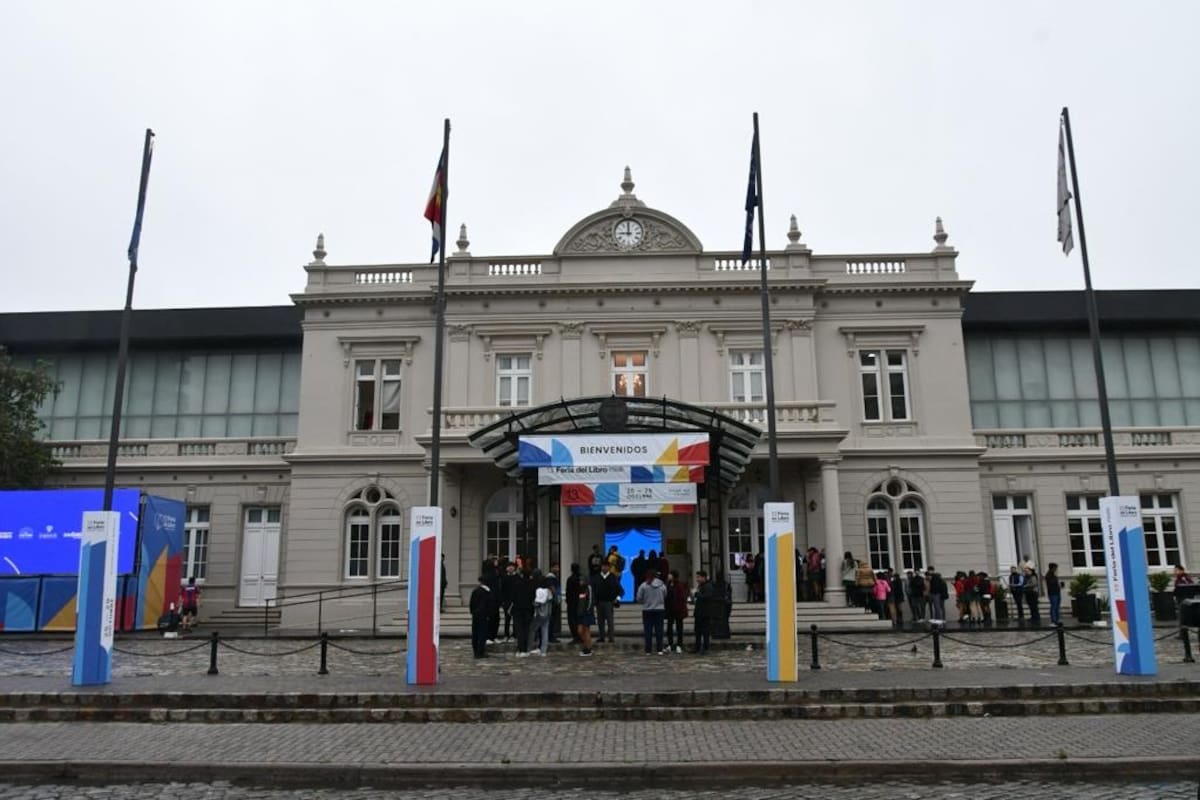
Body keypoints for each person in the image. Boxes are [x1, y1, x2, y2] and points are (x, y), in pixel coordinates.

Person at [637, 568, 668, 654]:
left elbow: (639, 598)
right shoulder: (662, 585)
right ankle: (659, 649)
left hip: (647, 610)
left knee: (648, 631)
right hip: (660, 610)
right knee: (659, 630)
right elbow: (665, 595)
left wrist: (645, 602)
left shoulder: (644, 585)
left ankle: (648, 650)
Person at [593, 561, 622, 643]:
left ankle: (611, 637)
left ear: (609, 567)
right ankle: (601, 636)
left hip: (609, 602)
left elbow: (620, 591)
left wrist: (617, 599)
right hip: (599, 602)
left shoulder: (613, 577)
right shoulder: (597, 577)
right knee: (600, 621)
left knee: (610, 620)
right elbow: (594, 590)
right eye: (603, 566)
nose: (604, 568)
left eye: (606, 566)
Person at [511, 567, 536, 657]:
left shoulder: (517, 584)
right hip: (528, 609)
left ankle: (521, 648)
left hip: (518, 608)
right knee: (526, 629)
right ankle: (525, 648)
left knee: (519, 629)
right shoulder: (532, 584)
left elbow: (513, 596)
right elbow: (533, 597)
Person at [468, 575, 495, 658]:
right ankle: (480, 652)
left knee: (475, 633)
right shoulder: (488, 592)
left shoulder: (475, 591)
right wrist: (490, 615)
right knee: (482, 634)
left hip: (476, 614)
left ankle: (476, 651)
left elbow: (471, 604)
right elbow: (490, 605)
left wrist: (473, 612)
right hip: (484, 615)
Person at [692, 570, 717, 654]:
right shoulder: (701, 586)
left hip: (705, 612)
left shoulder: (708, 586)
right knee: (698, 631)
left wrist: (697, 594)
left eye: (698, 577)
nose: (697, 579)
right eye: (697, 577)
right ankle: (697, 647)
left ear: (704, 577)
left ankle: (705, 648)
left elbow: (707, 597)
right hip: (699, 612)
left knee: (705, 632)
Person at [664, 569, 689, 653]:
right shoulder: (667, 585)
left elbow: (681, 597)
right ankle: (670, 644)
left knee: (679, 628)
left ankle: (679, 645)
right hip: (670, 609)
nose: (668, 576)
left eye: (669, 574)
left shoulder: (679, 585)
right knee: (669, 628)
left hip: (678, 609)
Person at [530, 576, 553, 656]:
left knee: (532, 629)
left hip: (540, 613)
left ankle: (529, 646)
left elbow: (538, 602)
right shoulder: (549, 591)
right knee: (545, 631)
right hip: (547, 613)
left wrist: (533, 604)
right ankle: (543, 650)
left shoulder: (539, 591)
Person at [574, 572, 595, 656]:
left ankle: (588, 648)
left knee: (586, 631)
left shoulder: (588, 588)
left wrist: (587, 610)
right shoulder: (581, 589)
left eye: (582, 580)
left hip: (586, 612)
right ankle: (587, 646)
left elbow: (590, 600)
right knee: (580, 631)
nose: (580, 582)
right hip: (581, 613)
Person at [565, 563, 583, 643]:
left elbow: (568, 591)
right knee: (579, 619)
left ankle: (576, 636)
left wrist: (567, 600)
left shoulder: (570, 579)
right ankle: (580, 636)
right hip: (580, 601)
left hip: (572, 602)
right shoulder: (581, 578)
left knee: (572, 619)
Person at [547, 563, 562, 643]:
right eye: (555, 567)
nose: (557, 569)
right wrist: (556, 596)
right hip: (552, 601)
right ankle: (550, 636)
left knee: (553, 619)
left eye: (558, 567)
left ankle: (551, 635)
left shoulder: (554, 577)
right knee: (551, 619)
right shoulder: (550, 577)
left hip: (555, 600)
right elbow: (552, 587)